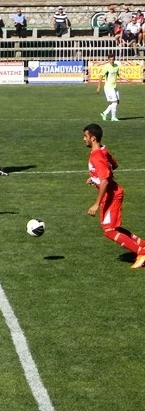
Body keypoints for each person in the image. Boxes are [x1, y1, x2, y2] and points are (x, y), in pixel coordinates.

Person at [82, 123, 145, 269]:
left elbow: (105, 179)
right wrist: (95, 178)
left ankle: (141, 252)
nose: (83, 139)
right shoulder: (103, 151)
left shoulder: (96, 156)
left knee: (109, 231)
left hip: (111, 195)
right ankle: (142, 244)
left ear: (93, 138)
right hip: (112, 192)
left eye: (85, 136)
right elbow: (113, 166)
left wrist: (96, 203)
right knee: (112, 227)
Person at [96, 53, 120, 122]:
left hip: (114, 86)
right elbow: (101, 77)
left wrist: (127, 79)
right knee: (114, 102)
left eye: (113, 59)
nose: (112, 61)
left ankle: (104, 113)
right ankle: (113, 117)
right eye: (110, 60)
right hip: (108, 87)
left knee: (117, 102)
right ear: (108, 60)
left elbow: (118, 74)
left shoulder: (116, 66)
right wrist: (98, 87)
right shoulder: (106, 67)